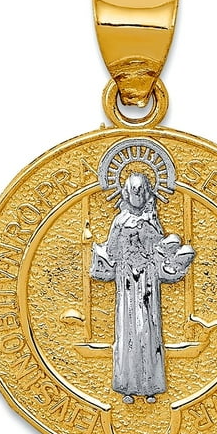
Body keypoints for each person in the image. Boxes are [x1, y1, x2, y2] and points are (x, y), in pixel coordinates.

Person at [91, 173, 195, 404]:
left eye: (141, 191)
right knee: (127, 330)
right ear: (126, 193)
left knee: (148, 329)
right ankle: (126, 386)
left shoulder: (152, 219)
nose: (137, 196)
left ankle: (150, 387)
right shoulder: (119, 221)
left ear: (147, 192)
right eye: (133, 191)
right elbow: (112, 250)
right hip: (127, 281)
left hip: (148, 280)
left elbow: (160, 249)